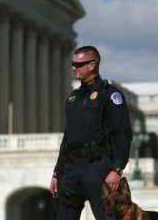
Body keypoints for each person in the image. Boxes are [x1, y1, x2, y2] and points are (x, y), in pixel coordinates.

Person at [49, 45, 132, 220]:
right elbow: (68, 137)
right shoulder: (73, 97)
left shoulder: (109, 94)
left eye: (78, 65)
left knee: (107, 217)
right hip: (71, 169)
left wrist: (117, 169)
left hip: (98, 166)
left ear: (92, 65)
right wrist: (57, 171)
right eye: (73, 64)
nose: (73, 68)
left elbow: (123, 132)